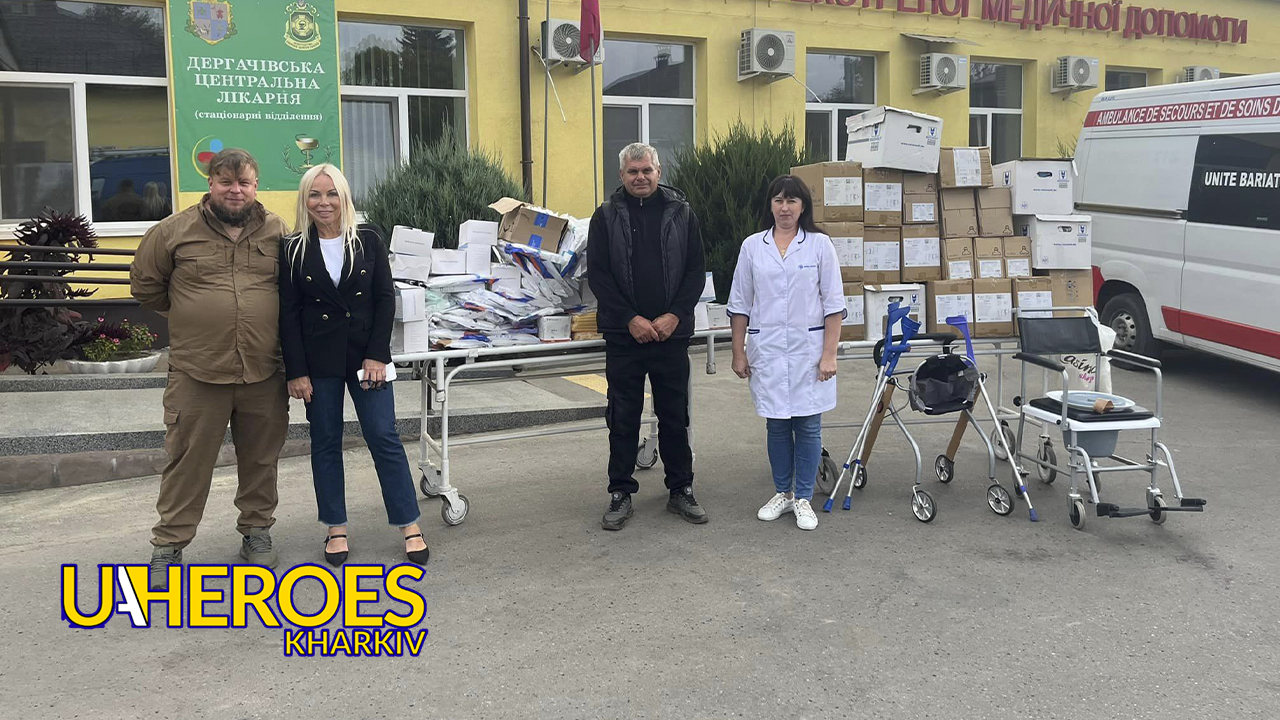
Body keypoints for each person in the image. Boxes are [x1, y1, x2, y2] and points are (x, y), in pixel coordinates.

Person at [131, 149, 291, 589]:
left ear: (256, 186)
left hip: (264, 370)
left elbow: (292, 290)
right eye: (226, 182)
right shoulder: (173, 231)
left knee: (261, 459)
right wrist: (194, 315)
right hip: (198, 370)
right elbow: (146, 286)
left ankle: (256, 532)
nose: (235, 191)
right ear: (210, 184)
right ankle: (169, 544)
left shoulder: (278, 231)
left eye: (244, 183)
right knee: (187, 461)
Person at [278, 164, 429, 566]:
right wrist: (296, 371)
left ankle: (409, 524)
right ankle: (335, 527)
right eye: (314, 194)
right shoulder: (292, 248)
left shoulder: (368, 239)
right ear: (305, 199)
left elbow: (385, 299)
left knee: (383, 436)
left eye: (332, 194)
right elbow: (288, 314)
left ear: (344, 197)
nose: (323, 202)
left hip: (367, 359)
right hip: (319, 361)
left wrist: (377, 353)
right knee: (325, 441)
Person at [587, 143, 707, 531]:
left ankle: (681, 489)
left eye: (647, 170)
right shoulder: (605, 216)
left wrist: (675, 315)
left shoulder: (682, 213)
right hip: (625, 337)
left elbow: (695, 271)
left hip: (671, 335)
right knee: (623, 417)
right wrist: (630, 319)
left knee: (674, 416)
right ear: (621, 175)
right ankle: (620, 493)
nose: (640, 177)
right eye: (633, 171)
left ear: (659, 171)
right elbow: (598, 275)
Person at [726, 175, 846, 531]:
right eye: (778, 200)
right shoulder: (753, 246)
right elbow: (739, 304)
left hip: (809, 351)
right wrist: (738, 352)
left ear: (803, 206)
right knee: (777, 424)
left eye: (792, 201)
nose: (784, 207)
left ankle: (804, 497)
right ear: (770, 205)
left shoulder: (820, 245)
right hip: (768, 351)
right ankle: (784, 493)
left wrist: (829, 355)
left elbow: (834, 305)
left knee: (808, 424)